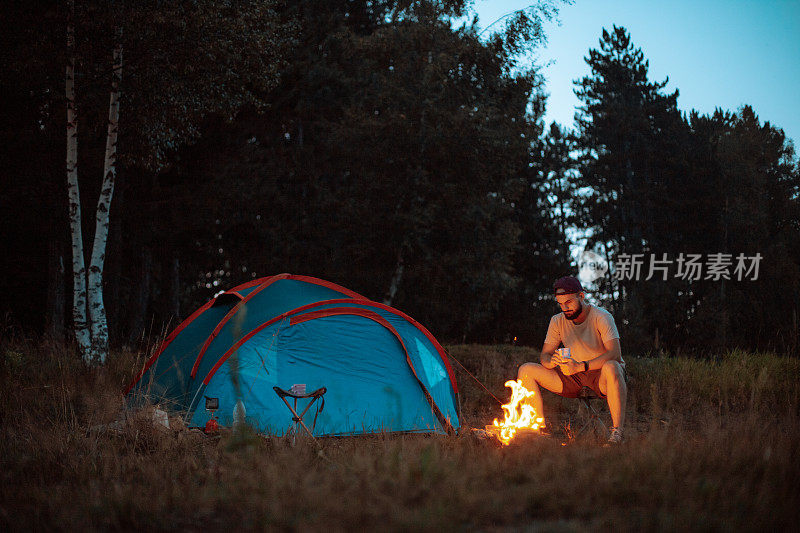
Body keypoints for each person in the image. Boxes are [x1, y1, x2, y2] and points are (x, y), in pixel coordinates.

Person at [518, 276, 627, 444]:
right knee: (526, 370)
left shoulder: (602, 317)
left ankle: (617, 433)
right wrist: (551, 361)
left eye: (568, 302)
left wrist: (581, 367)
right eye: (560, 304)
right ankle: (538, 429)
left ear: (581, 296)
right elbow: (545, 356)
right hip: (573, 376)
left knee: (612, 366)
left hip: (601, 376)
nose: (565, 308)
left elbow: (615, 353)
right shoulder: (557, 321)